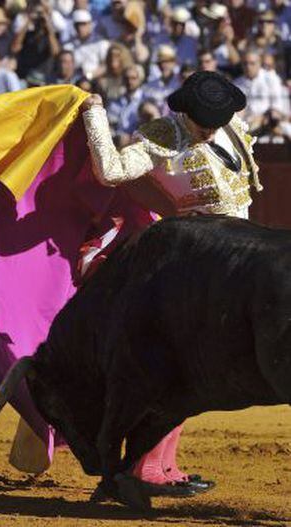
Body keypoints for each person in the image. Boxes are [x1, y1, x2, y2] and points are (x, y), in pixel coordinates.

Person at [80, 71, 263, 496]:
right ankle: (146, 467)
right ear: (184, 112)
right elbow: (110, 170)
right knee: (183, 371)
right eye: (204, 122)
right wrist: (95, 113)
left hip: (237, 260)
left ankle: (161, 465)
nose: (212, 128)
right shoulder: (164, 137)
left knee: (193, 373)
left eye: (218, 119)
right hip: (195, 267)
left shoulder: (230, 126)